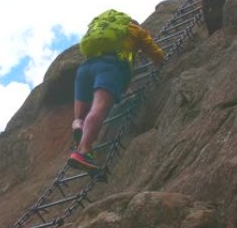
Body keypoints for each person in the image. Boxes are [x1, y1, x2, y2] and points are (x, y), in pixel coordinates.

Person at [68, 11, 165, 172]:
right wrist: (160, 60)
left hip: (85, 68)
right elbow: (154, 52)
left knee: (80, 116)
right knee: (99, 108)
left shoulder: (101, 30)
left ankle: (78, 125)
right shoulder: (135, 30)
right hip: (110, 67)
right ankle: (83, 151)